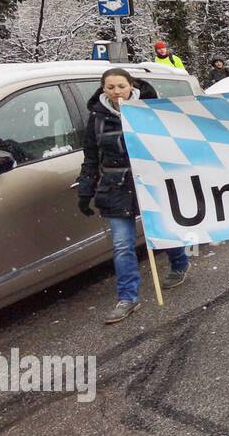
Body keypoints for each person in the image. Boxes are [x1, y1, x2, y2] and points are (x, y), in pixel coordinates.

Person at [77, 68, 189, 324]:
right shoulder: (97, 119)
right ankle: (127, 297)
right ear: (103, 89)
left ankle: (179, 262)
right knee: (122, 245)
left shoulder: (149, 111)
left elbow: (173, 144)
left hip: (150, 183)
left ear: (131, 86)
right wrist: (85, 190)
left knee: (161, 231)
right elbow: (91, 158)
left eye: (121, 86)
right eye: (110, 87)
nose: (117, 92)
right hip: (115, 187)